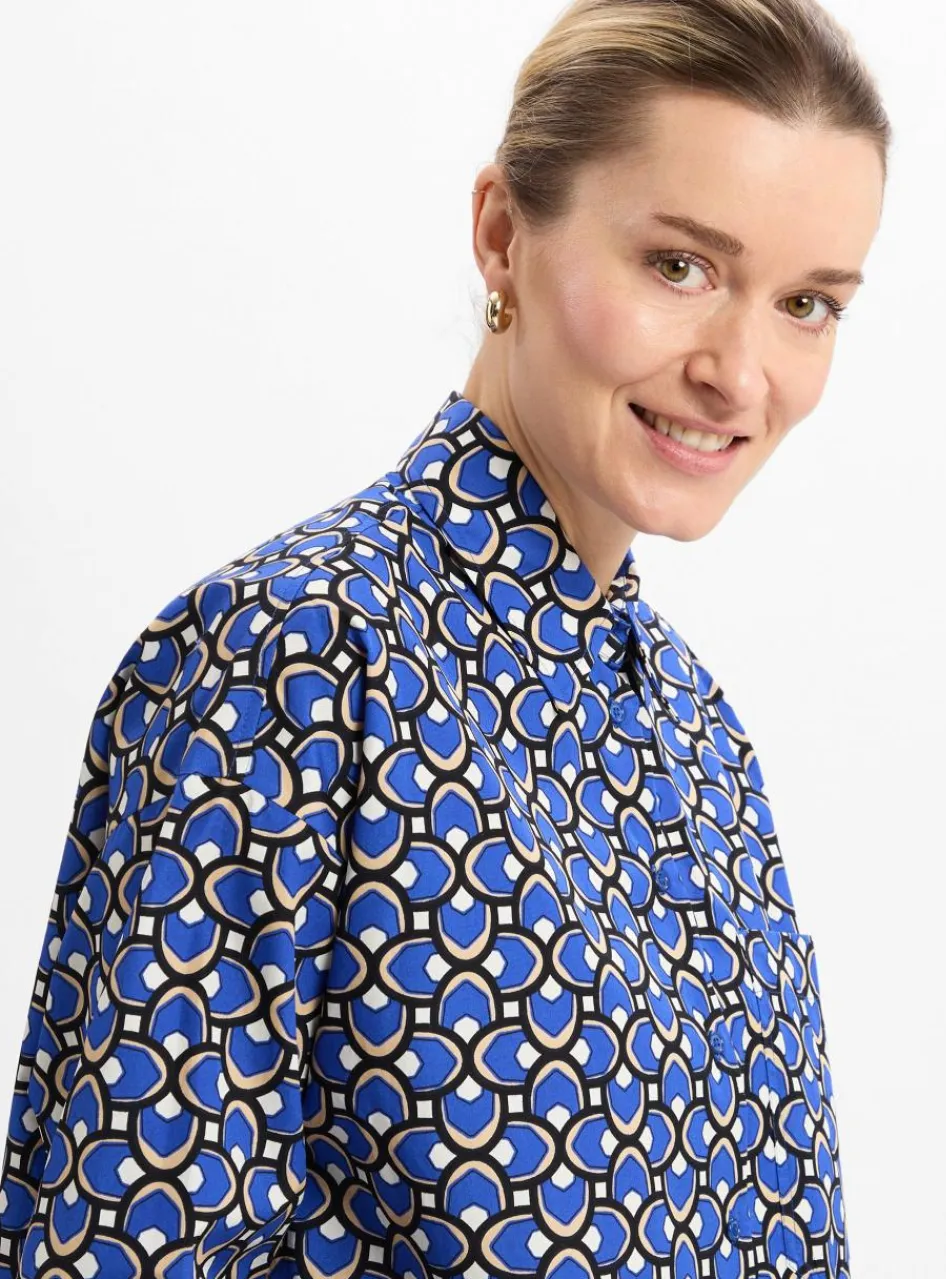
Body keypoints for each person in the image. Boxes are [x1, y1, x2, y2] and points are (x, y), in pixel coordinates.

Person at [0, 1, 887, 1276]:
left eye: (805, 303)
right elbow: (122, 1243)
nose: (739, 374)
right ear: (501, 235)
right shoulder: (290, 660)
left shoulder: (698, 738)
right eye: (678, 267)